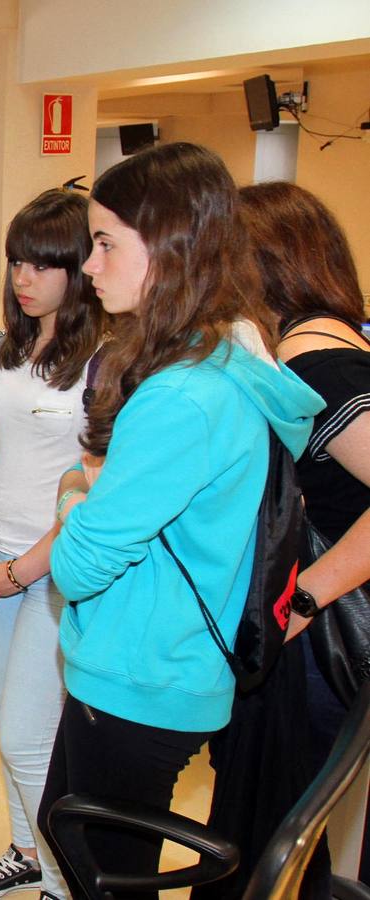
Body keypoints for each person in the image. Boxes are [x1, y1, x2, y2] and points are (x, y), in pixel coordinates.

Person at [35, 143, 322, 895]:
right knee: (72, 839)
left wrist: (74, 491)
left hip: (139, 678)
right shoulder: (226, 360)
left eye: (104, 245)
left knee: (102, 873)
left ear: (168, 248)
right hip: (165, 665)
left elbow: (76, 564)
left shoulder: (179, 396)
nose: (89, 266)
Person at [189, 181, 370, 896]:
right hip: (306, 644)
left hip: (315, 648)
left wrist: (304, 601)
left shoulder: (313, 361)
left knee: (264, 838)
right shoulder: (324, 339)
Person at [0, 189, 105, 900]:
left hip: (50, 573)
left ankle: (65, 881)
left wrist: (17, 571)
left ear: (78, 270)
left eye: (41, 264)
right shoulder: (3, 346)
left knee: (28, 739)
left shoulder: (108, 360)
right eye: (15, 262)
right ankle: (24, 850)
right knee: (12, 720)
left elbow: (94, 493)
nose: (22, 278)